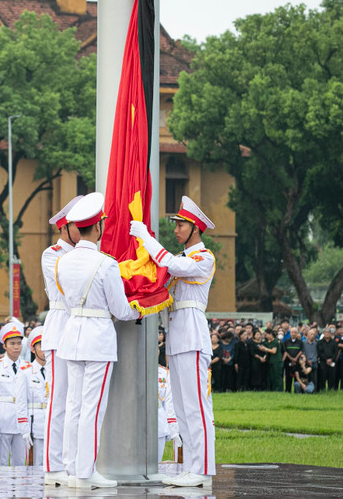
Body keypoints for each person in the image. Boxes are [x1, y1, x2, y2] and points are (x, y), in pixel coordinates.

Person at [130, 194, 215, 488]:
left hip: (192, 335)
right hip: (178, 337)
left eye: (180, 224)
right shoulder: (181, 258)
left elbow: (169, 265)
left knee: (196, 406)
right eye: (176, 224)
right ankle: (193, 467)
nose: (176, 229)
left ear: (195, 228)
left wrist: (145, 238)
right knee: (181, 406)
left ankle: (202, 468)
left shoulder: (204, 258)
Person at [59, 192, 140, 489]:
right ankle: (85, 472)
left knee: (75, 406)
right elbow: (120, 310)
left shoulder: (63, 262)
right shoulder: (106, 264)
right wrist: (141, 306)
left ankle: (72, 469)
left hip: (73, 334)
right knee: (92, 408)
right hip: (98, 338)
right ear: (99, 227)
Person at [39, 195, 81, 486]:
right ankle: (54, 464)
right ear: (65, 228)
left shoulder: (87, 253)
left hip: (80, 329)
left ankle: (74, 462)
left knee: (78, 401)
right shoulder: (52, 253)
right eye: (80, 225)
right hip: (60, 326)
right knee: (60, 401)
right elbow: (67, 289)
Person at [0, 321, 32, 466]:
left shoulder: (28, 368)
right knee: (1, 461)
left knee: (21, 461)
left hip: (21, 420)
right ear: (4, 346)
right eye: (12, 343)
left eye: (19, 343)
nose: (16, 347)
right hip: (3, 417)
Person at [23, 326, 47, 467]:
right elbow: (21, 403)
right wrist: (25, 429)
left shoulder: (56, 371)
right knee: (36, 464)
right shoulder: (25, 373)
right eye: (41, 346)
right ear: (33, 349)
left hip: (52, 424)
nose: (45, 350)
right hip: (34, 425)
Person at [157, 364, 181, 465]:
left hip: (159, 423)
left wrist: (171, 427)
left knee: (155, 465)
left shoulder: (164, 373)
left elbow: (168, 402)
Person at [317, 327, 338, 392]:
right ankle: (322, 390)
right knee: (323, 376)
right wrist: (326, 359)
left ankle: (330, 390)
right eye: (325, 332)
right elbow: (320, 352)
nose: (327, 334)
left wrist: (331, 359)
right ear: (323, 333)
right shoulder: (320, 342)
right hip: (323, 362)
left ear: (330, 333)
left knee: (331, 376)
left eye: (328, 332)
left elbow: (336, 352)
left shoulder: (334, 342)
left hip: (332, 361)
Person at [282, 327, 303, 393]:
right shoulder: (286, 342)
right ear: (290, 333)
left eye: (295, 332)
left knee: (297, 377)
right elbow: (285, 352)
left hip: (297, 362)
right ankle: (288, 390)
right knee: (288, 377)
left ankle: (297, 391)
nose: (293, 334)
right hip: (288, 362)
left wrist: (296, 358)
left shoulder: (300, 342)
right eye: (292, 332)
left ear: (297, 334)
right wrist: (291, 359)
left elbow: (301, 351)